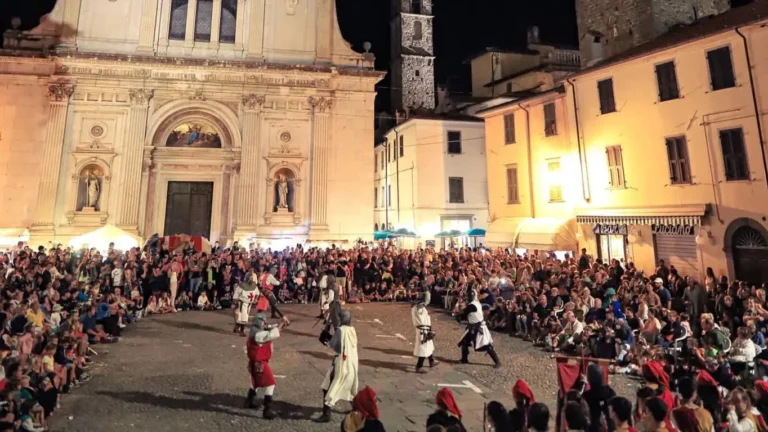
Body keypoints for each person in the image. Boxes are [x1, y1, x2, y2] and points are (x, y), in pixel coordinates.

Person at [244, 312, 288, 419]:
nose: (266, 322)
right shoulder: (258, 335)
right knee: (270, 383)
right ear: (259, 321)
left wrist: (282, 324)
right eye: (264, 320)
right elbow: (271, 334)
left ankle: (248, 402)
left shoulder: (255, 330)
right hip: (259, 363)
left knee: (255, 383)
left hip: (254, 362)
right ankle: (267, 411)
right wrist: (282, 323)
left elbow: (271, 329)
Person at [319, 310, 359, 423]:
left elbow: (336, 347)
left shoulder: (340, 331)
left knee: (327, 386)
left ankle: (326, 414)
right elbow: (344, 344)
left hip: (342, 364)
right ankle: (356, 409)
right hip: (352, 364)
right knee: (350, 388)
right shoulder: (352, 330)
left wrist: (325, 339)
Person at [458, 289, 501, 368]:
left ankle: (497, 362)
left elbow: (464, 315)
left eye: (469, 296)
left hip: (478, 327)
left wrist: (459, 313)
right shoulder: (475, 303)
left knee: (486, 345)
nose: (468, 298)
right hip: (472, 326)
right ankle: (464, 359)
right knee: (464, 342)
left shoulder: (472, 305)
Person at [412, 290, 437, 373]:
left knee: (428, 345)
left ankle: (431, 361)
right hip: (422, 330)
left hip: (425, 329)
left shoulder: (421, 307)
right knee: (423, 347)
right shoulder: (418, 307)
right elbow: (419, 307)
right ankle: (419, 367)